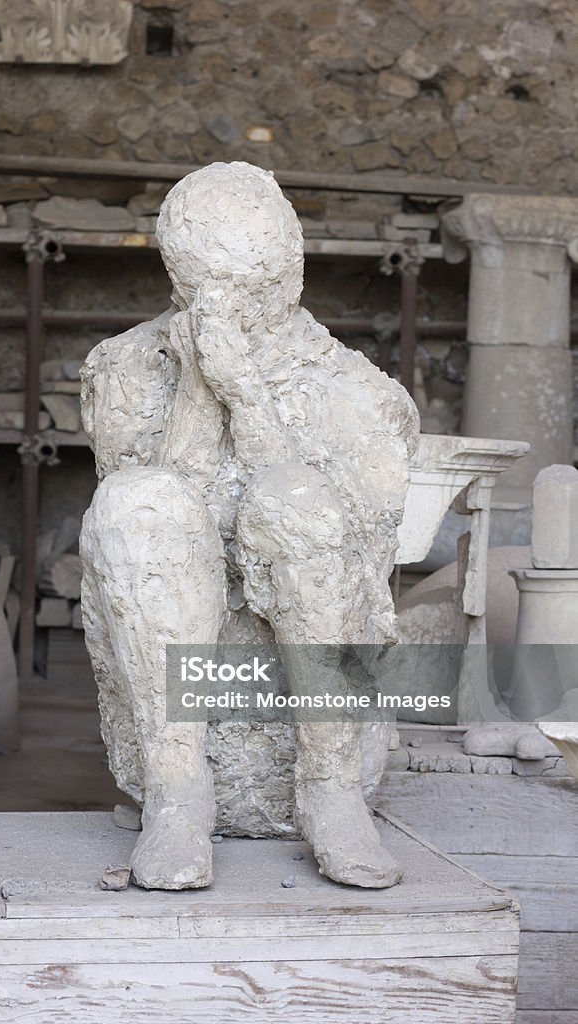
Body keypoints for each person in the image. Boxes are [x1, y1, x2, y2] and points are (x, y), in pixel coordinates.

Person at [80, 161, 419, 889]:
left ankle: (328, 789)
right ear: (178, 284)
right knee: (139, 502)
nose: (240, 308)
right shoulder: (123, 370)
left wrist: (248, 398)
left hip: (307, 645)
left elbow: (358, 564)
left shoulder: (363, 396)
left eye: (258, 288)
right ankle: (177, 793)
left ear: (293, 273)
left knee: (297, 503)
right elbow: (138, 547)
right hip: (178, 636)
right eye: (208, 291)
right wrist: (202, 393)